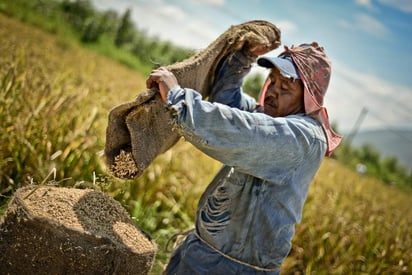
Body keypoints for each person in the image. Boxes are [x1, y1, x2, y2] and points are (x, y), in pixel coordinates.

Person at [146, 41, 342, 274]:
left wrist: (177, 97)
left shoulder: (303, 137)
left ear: (308, 97)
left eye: (286, 87)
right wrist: (243, 57)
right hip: (202, 254)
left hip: (233, 268)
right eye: (273, 80)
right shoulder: (270, 116)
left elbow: (238, 129)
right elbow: (225, 102)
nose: (272, 91)